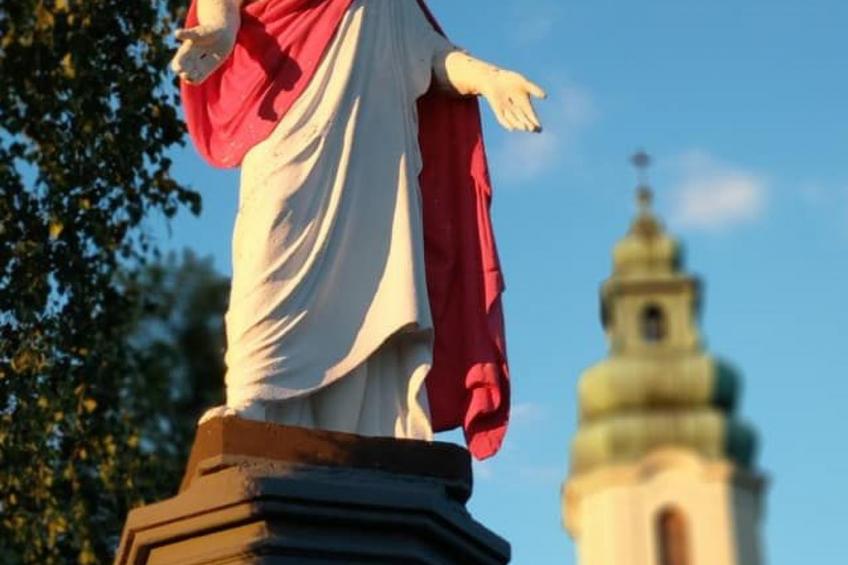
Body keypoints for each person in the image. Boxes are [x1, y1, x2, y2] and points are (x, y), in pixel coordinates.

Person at [171, 0, 545, 459]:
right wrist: (218, 26)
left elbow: (427, 53)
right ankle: (255, 391)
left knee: (376, 277)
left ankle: (373, 427)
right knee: (272, 243)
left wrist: (487, 77)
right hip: (291, 128)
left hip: (377, 159)